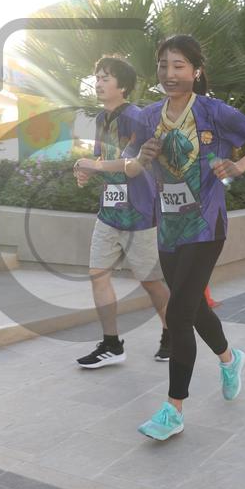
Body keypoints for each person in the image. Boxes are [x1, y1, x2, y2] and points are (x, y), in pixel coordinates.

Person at [102, 35, 245, 439]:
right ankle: (230, 358)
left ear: (196, 71)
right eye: (163, 65)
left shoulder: (215, 111)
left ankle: (173, 410)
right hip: (169, 228)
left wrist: (239, 167)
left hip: (206, 226)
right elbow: (131, 165)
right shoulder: (148, 116)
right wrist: (138, 159)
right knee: (194, 308)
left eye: (178, 65)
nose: (169, 73)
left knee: (178, 314)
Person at [73, 56, 171, 367]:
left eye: (106, 78)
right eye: (97, 77)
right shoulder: (102, 120)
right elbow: (103, 162)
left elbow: (133, 166)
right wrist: (86, 170)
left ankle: (172, 332)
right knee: (97, 275)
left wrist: (94, 165)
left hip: (140, 215)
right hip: (109, 213)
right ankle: (112, 344)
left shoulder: (137, 118)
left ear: (123, 86)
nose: (98, 83)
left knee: (151, 282)